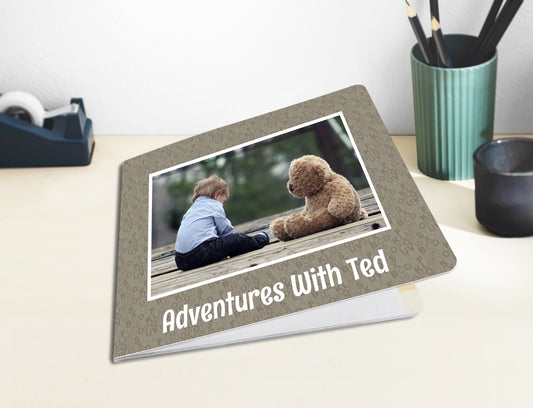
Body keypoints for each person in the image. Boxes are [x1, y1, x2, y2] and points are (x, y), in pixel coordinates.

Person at [174, 175, 269, 271]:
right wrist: (232, 241)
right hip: (202, 251)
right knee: (237, 239)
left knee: (223, 245)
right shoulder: (214, 205)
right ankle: (261, 239)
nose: (223, 204)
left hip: (180, 260)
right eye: (224, 201)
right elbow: (225, 230)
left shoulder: (192, 209)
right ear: (217, 195)